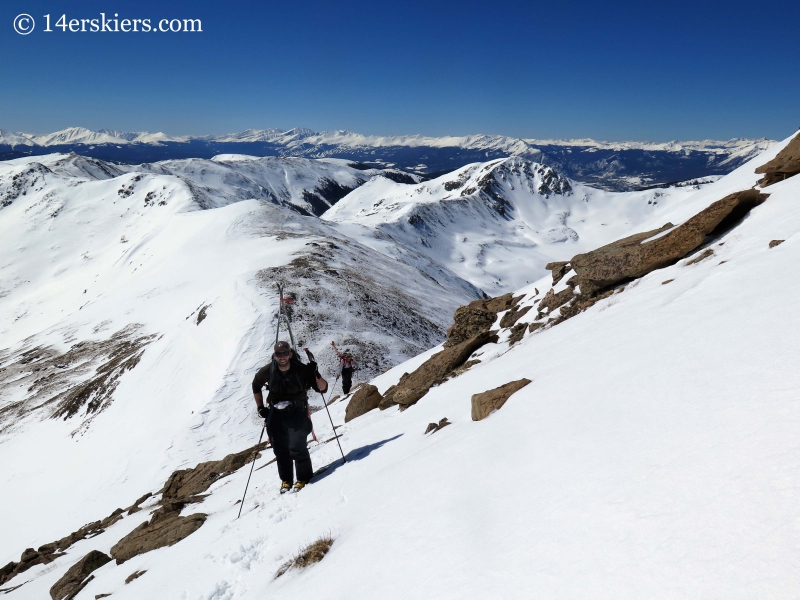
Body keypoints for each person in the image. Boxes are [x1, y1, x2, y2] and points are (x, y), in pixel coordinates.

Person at [252, 341, 328, 493]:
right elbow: (256, 385)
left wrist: (316, 374)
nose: (282, 357)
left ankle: (303, 478)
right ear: (274, 356)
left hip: (297, 410)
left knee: (296, 445)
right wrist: (260, 408)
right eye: (278, 354)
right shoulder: (268, 370)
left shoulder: (302, 370)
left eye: (285, 353)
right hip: (276, 412)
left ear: (290, 354)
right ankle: (286, 480)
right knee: (280, 448)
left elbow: (322, 388)